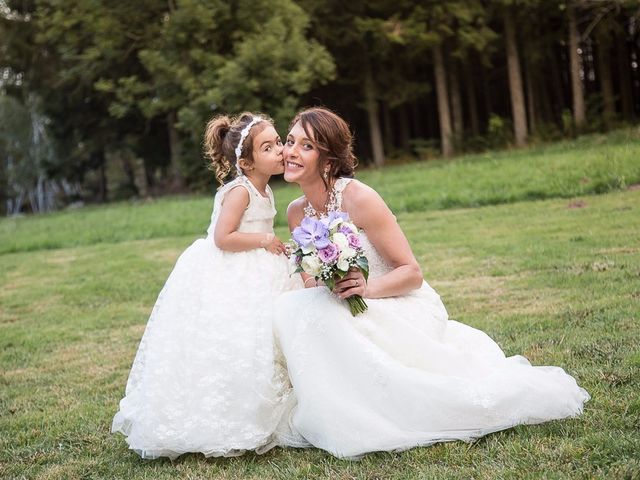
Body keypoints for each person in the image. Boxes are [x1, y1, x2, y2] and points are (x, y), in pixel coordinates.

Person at [274, 107, 590, 459]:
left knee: (318, 314)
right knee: (297, 307)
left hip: (394, 299)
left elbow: (411, 271)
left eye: (306, 146)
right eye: (290, 142)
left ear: (329, 161)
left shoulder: (359, 198)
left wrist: (364, 289)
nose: (290, 152)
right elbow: (307, 278)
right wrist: (328, 284)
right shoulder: (295, 212)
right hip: (340, 302)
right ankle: (332, 404)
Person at [112, 112, 301, 459]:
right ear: (245, 162)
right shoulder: (239, 192)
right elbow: (222, 237)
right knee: (236, 336)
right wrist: (264, 239)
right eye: (268, 147)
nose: (280, 151)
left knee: (266, 334)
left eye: (278, 142)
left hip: (260, 267)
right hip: (232, 271)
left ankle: (275, 404)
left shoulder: (266, 189)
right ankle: (225, 414)